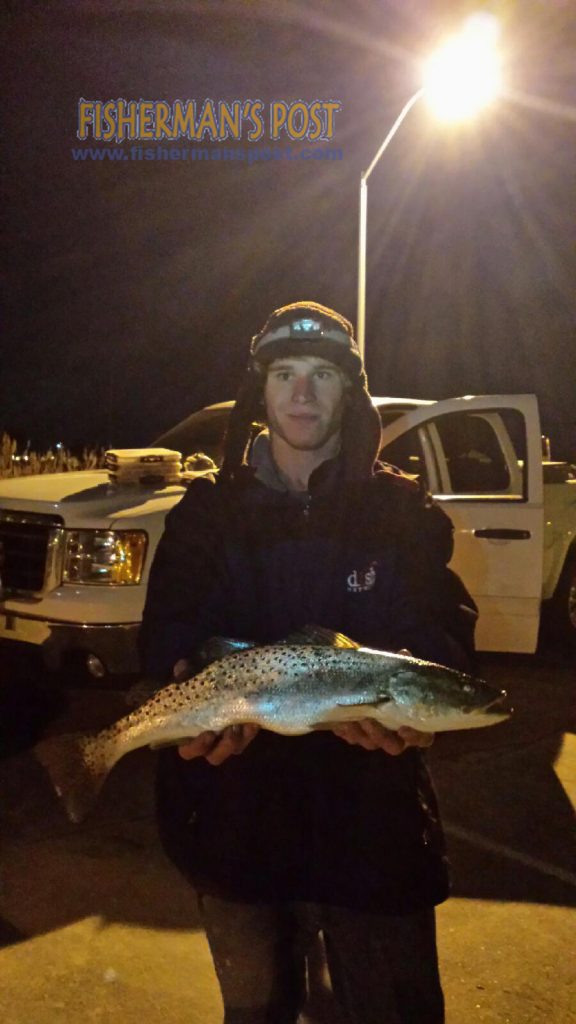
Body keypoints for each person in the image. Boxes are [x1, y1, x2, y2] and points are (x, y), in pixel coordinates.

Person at [139, 301, 477, 1024]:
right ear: (259, 393)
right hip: (234, 829)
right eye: (285, 373)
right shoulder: (204, 514)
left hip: (374, 833)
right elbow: (167, 631)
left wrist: (422, 705)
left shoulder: (403, 513)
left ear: (349, 392)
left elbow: (444, 629)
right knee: (257, 1012)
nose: (302, 393)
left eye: (323, 374)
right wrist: (180, 681)